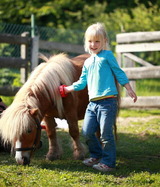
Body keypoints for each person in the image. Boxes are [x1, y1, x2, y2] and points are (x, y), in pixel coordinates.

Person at [59, 22, 137, 172]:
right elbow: (82, 83)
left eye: (97, 41)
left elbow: (118, 72)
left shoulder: (107, 56)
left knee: (106, 135)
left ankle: (108, 163)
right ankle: (96, 155)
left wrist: (127, 87)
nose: (93, 44)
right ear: (86, 42)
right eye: (90, 41)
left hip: (108, 102)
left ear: (104, 41)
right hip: (92, 104)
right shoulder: (87, 62)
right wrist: (68, 88)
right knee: (87, 132)